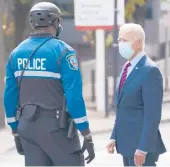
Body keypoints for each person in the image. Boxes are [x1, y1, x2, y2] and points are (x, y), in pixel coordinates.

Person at [4, 2, 95, 166]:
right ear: (55, 22)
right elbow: (74, 97)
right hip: (56, 129)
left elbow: (9, 96)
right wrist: (86, 133)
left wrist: (15, 130)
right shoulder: (64, 52)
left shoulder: (16, 53)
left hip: (27, 128)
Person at [107, 23, 166, 166]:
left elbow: (153, 115)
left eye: (124, 40)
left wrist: (143, 148)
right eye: (119, 40)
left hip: (140, 150)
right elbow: (123, 108)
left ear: (138, 43)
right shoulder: (127, 67)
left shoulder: (150, 71)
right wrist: (114, 136)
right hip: (127, 147)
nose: (120, 44)